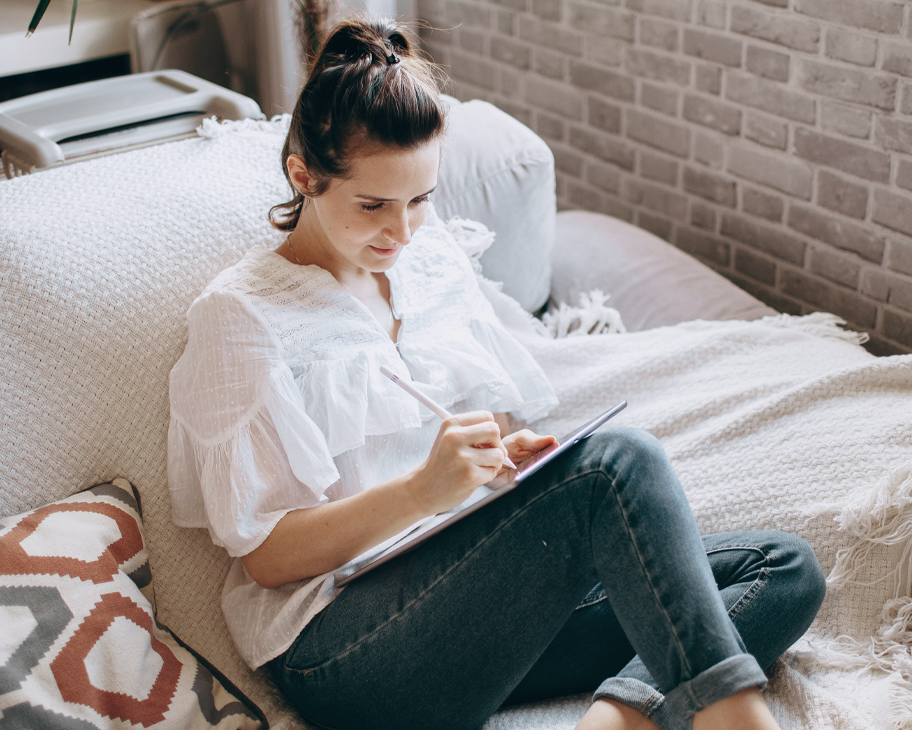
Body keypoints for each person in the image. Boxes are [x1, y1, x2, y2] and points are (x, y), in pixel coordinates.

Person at [168, 16, 826, 730]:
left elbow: (491, 446)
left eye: (420, 199)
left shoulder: (430, 261)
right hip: (343, 653)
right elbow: (268, 558)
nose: (402, 231)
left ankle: (619, 718)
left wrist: (500, 463)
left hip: (475, 610)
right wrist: (421, 491)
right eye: (373, 205)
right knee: (618, 466)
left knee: (782, 569)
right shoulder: (243, 315)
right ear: (304, 177)